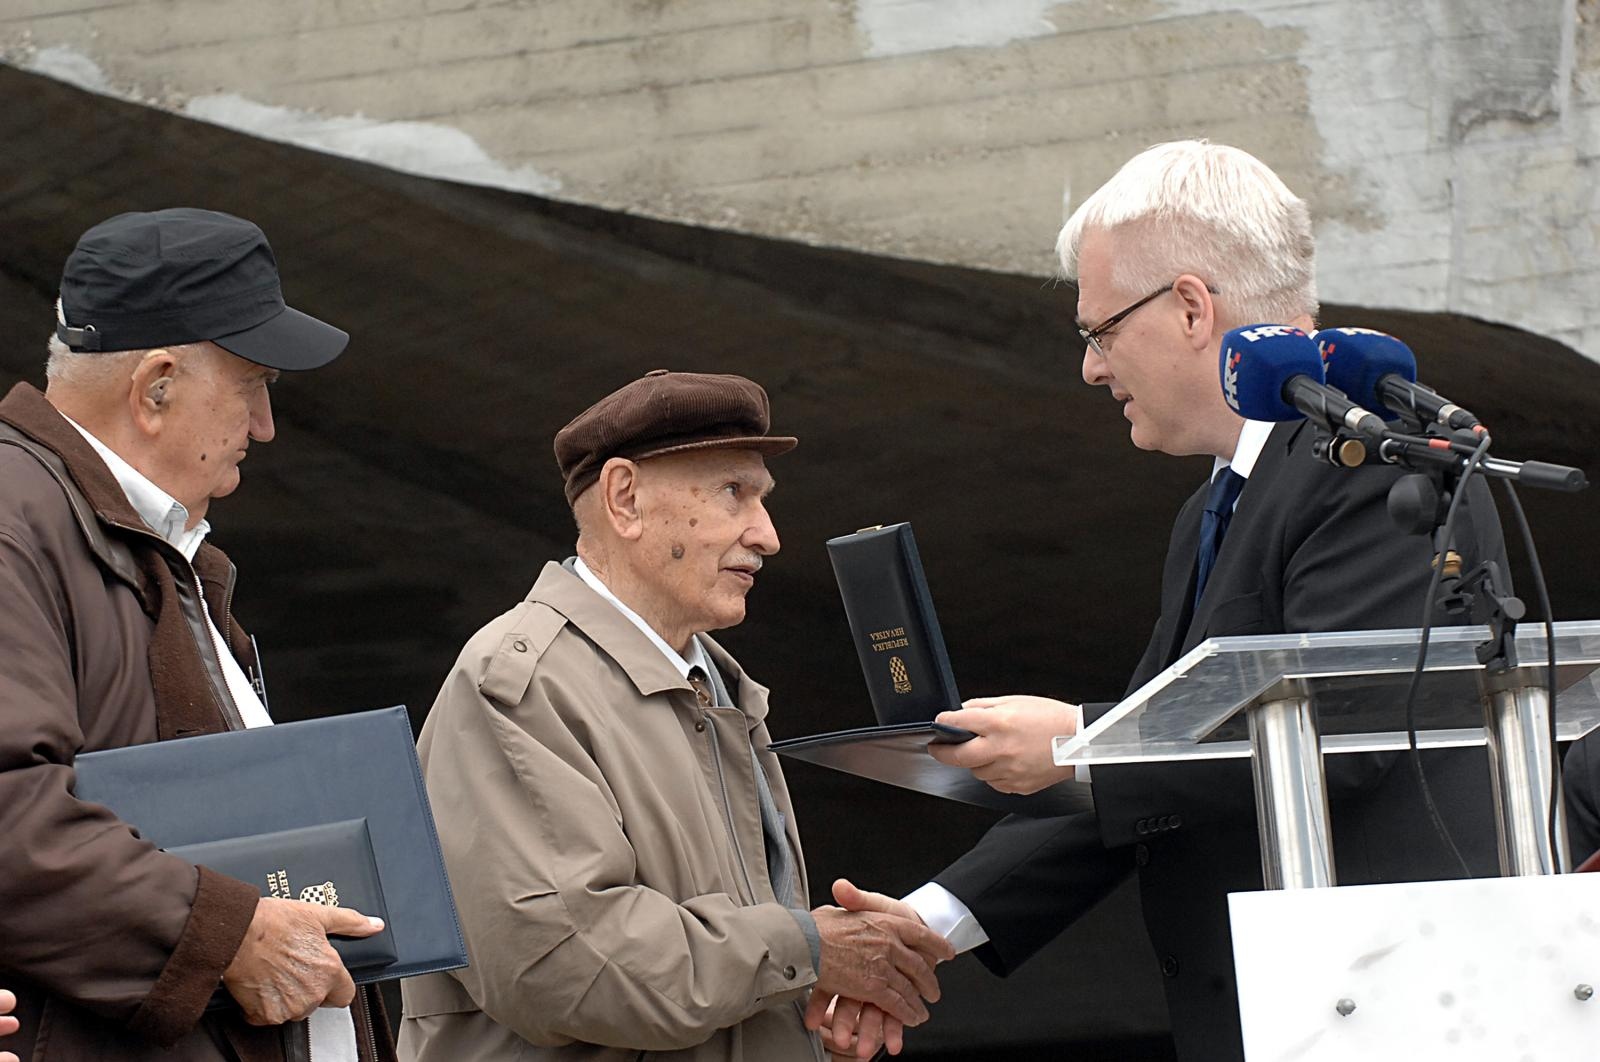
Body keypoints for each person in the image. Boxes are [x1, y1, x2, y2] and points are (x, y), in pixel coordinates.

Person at [818, 140, 1508, 1061]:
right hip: (1274, 1016)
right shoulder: (1211, 511)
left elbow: (1349, 732)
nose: (1093, 369)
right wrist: (925, 925)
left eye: (1098, 331)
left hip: (1391, 1016)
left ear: (1190, 306)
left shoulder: (1382, 465)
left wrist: (1080, 745)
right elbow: (1153, 767)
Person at [398, 369, 953, 1061]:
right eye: (733, 493)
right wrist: (809, 951)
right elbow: (569, 966)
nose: (769, 534)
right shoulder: (518, 684)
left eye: (762, 498)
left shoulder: (716, 680)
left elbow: (711, 968)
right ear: (624, 499)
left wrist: (794, 1002)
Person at [0, 209, 395, 1062]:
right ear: (155, 387)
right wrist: (227, 937)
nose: (265, 426)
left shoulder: (146, 546)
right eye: (253, 383)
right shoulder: (13, 520)